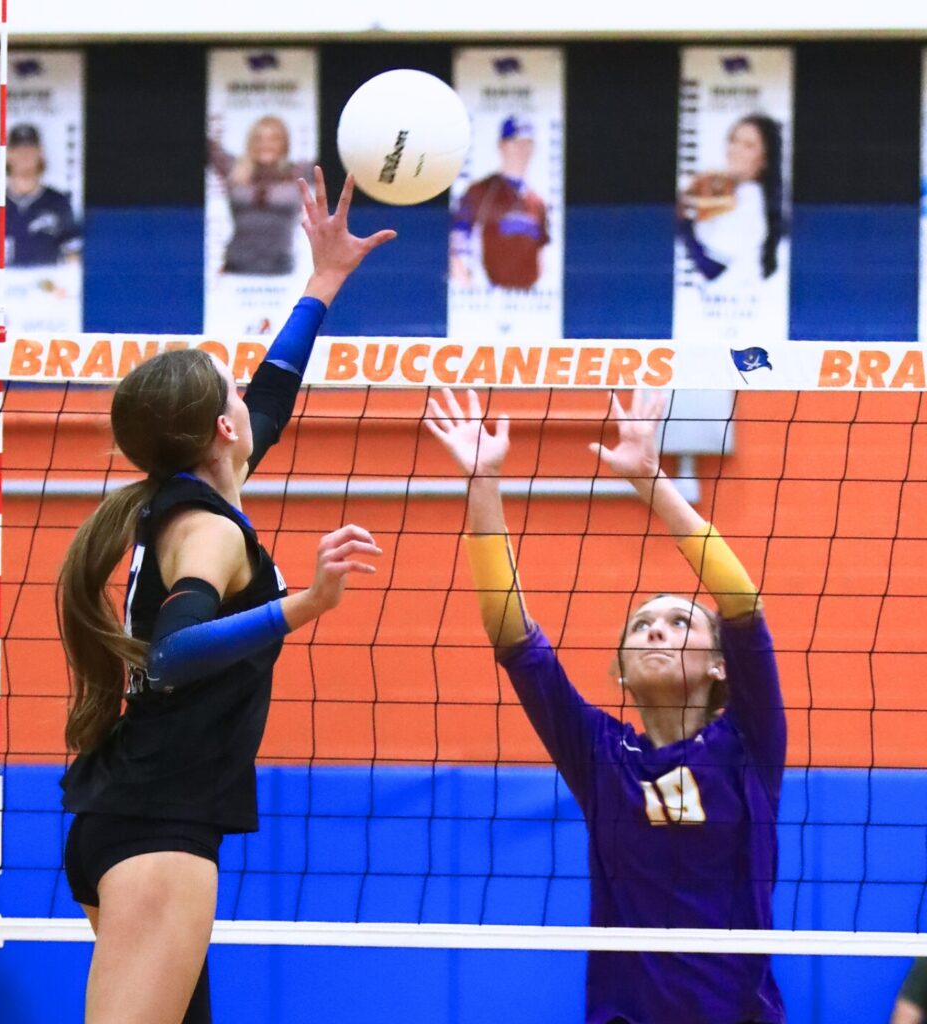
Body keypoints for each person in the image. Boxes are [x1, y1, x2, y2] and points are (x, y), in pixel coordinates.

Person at [58, 167, 394, 1024]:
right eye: (232, 394)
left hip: (138, 815)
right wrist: (305, 604)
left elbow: (272, 392)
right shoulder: (207, 530)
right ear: (219, 427)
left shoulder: (193, 493)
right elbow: (172, 655)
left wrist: (324, 281)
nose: (249, 399)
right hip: (157, 829)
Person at [427, 387, 786, 1024]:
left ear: (720, 664)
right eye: (641, 625)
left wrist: (649, 481)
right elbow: (513, 639)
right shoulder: (601, 754)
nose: (656, 630)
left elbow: (742, 605)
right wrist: (483, 483)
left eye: (679, 622)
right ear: (620, 671)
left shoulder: (748, 744)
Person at [677, 114, 784, 288]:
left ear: (765, 159)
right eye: (733, 140)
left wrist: (683, 223)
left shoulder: (751, 202)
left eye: (748, 145)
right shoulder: (729, 192)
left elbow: (710, 269)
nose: (735, 150)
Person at [449, 114, 549, 290]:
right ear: (502, 146)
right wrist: (467, 284)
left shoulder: (537, 202)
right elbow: (456, 242)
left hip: (526, 298)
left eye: (527, 144)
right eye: (516, 143)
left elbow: (543, 257)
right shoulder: (480, 191)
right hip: (488, 294)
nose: (522, 150)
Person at [208, 114, 315, 275]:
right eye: (259, 139)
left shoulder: (298, 173)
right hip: (236, 269)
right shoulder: (234, 169)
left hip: (281, 272)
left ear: (284, 144)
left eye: (273, 139)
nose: (266, 144)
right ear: (250, 142)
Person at [0, 123, 82, 267]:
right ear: (8, 154)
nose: (24, 155)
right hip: (0, 280)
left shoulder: (59, 203)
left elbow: (74, 255)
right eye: (18, 149)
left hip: (46, 279)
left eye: (30, 149)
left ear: (40, 153)